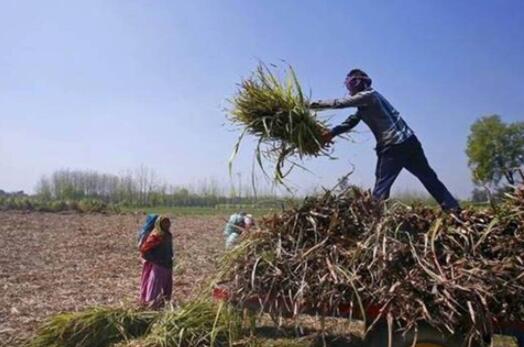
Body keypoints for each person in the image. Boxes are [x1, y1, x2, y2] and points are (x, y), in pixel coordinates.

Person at [309, 69, 460, 211]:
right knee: (428, 177)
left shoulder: (368, 96)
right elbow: (352, 120)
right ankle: (453, 209)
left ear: (357, 84)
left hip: (393, 146)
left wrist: (309, 105)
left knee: (381, 187)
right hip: (410, 142)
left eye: (350, 85)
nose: (349, 89)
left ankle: (376, 222)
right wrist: (332, 133)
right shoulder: (368, 101)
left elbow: (338, 103)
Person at [139, 215, 174, 308]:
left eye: (168, 222)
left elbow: (170, 249)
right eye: (164, 223)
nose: (167, 224)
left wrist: (171, 258)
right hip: (159, 266)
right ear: (159, 224)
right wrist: (155, 260)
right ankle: (151, 305)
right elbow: (144, 250)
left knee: (166, 286)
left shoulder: (168, 235)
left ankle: (162, 304)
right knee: (155, 286)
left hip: (167, 265)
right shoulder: (156, 236)